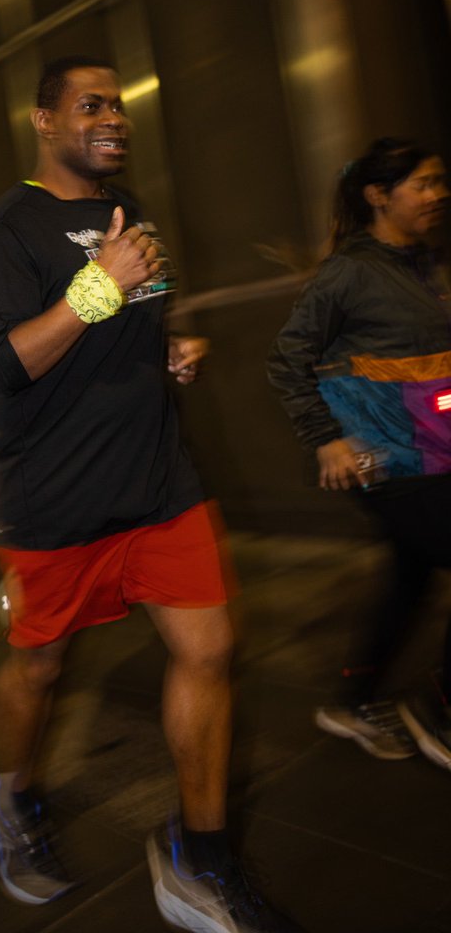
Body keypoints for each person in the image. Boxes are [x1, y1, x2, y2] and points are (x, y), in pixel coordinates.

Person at [0, 56, 301, 932]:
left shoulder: (132, 213)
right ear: (45, 121)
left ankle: (200, 858)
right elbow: (7, 366)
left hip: (158, 481)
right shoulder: (8, 228)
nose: (113, 117)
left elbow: (140, 317)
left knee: (211, 649)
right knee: (41, 668)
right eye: (91, 105)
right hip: (52, 497)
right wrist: (98, 285)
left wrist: (168, 345)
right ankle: (18, 793)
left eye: (117, 104)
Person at [268, 137, 451, 769]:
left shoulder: (421, 262)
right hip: (382, 455)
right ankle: (438, 708)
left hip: (431, 447)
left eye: (438, 182)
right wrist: (327, 439)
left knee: (411, 575)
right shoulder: (349, 270)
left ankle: (356, 698)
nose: (438, 194)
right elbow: (287, 360)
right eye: (423, 184)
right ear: (379, 195)